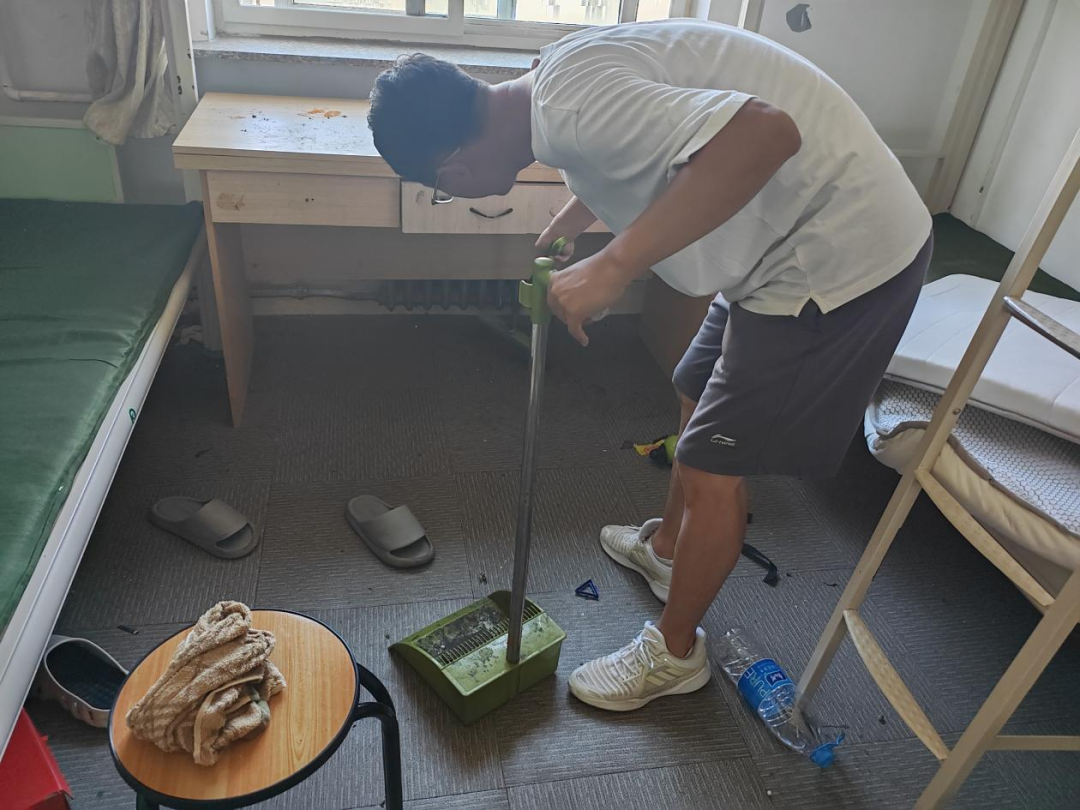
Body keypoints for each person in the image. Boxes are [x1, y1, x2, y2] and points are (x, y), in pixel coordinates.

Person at [367, 19, 932, 712]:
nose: (456, 193)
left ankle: (675, 653)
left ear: (453, 171)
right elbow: (651, 138)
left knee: (712, 465)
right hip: (781, 233)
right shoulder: (548, 83)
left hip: (833, 257)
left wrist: (615, 265)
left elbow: (765, 133)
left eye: (444, 190)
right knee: (693, 387)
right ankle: (668, 551)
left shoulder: (573, 113)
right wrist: (579, 215)